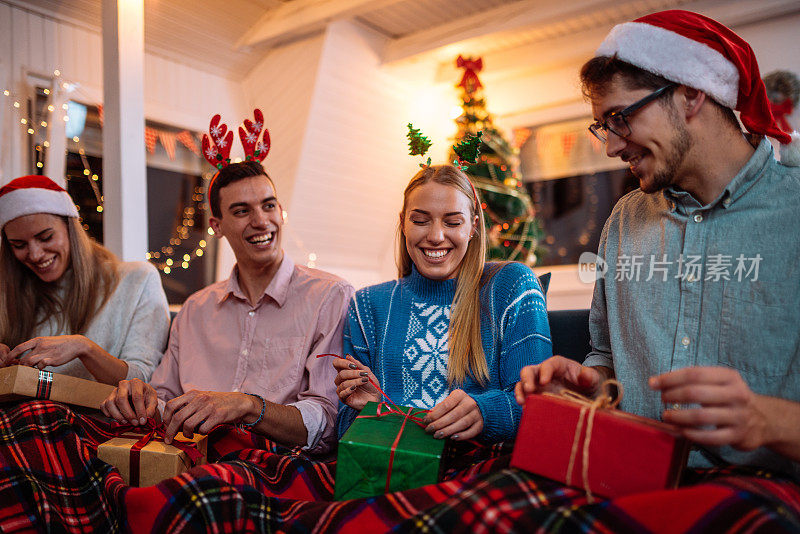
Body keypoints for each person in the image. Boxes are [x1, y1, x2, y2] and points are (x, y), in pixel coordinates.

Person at [516, 10, 800, 478]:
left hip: (761, 487)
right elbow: (606, 356)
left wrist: (769, 421)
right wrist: (595, 386)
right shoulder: (624, 221)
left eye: (619, 118)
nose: (610, 146)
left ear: (691, 94)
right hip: (624, 467)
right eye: (602, 126)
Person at [101, 161, 354, 453]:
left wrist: (247, 406)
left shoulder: (330, 296)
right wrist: (137, 399)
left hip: (275, 465)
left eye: (268, 206)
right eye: (242, 211)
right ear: (217, 226)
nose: (261, 221)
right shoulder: (195, 309)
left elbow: (328, 421)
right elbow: (163, 400)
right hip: (190, 457)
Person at [335, 164, 551, 443]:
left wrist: (485, 412)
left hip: (478, 467)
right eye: (420, 220)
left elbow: (539, 405)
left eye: (452, 222)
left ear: (473, 225)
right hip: (394, 466)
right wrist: (373, 410)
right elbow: (342, 432)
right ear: (403, 223)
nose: (436, 236)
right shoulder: (366, 305)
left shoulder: (512, 285)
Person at [0, 175, 169, 385]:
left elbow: (142, 381)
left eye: (46, 237)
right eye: (19, 245)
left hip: (102, 417)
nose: (34, 255)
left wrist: (84, 348)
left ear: (71, 229)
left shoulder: (138, 280)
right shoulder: (10, 292)